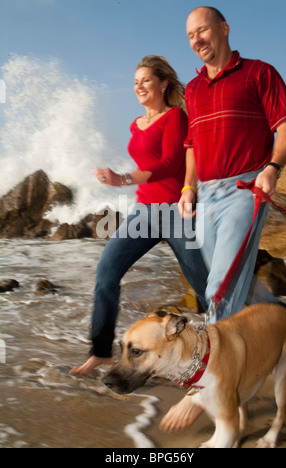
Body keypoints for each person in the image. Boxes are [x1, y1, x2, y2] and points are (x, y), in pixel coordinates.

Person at [161, 6, 286, 433]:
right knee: (224, 281)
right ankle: (282, 322)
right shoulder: (195, 90)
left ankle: (205, 390)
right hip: (208, 194)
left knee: (219, 287)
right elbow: (190, 146)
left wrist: (272, 168)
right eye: (189, 35)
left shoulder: (260, 72)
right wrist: (188, 188)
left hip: (245, 189)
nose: (197, 39)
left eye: (203, 30)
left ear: (223, 29)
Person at [70, 55, 208, 376]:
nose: (139, 86)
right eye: (135, 82)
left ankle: (236, 343)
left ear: (163, 83)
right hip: (144, 212)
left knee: (205, 285)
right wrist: (123, 180)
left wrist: (123, 179)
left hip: (176, 212)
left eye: (146, 80)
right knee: (106, 272)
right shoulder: (135, 123)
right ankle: (102, 352)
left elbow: (172, 164)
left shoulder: (175, 117)